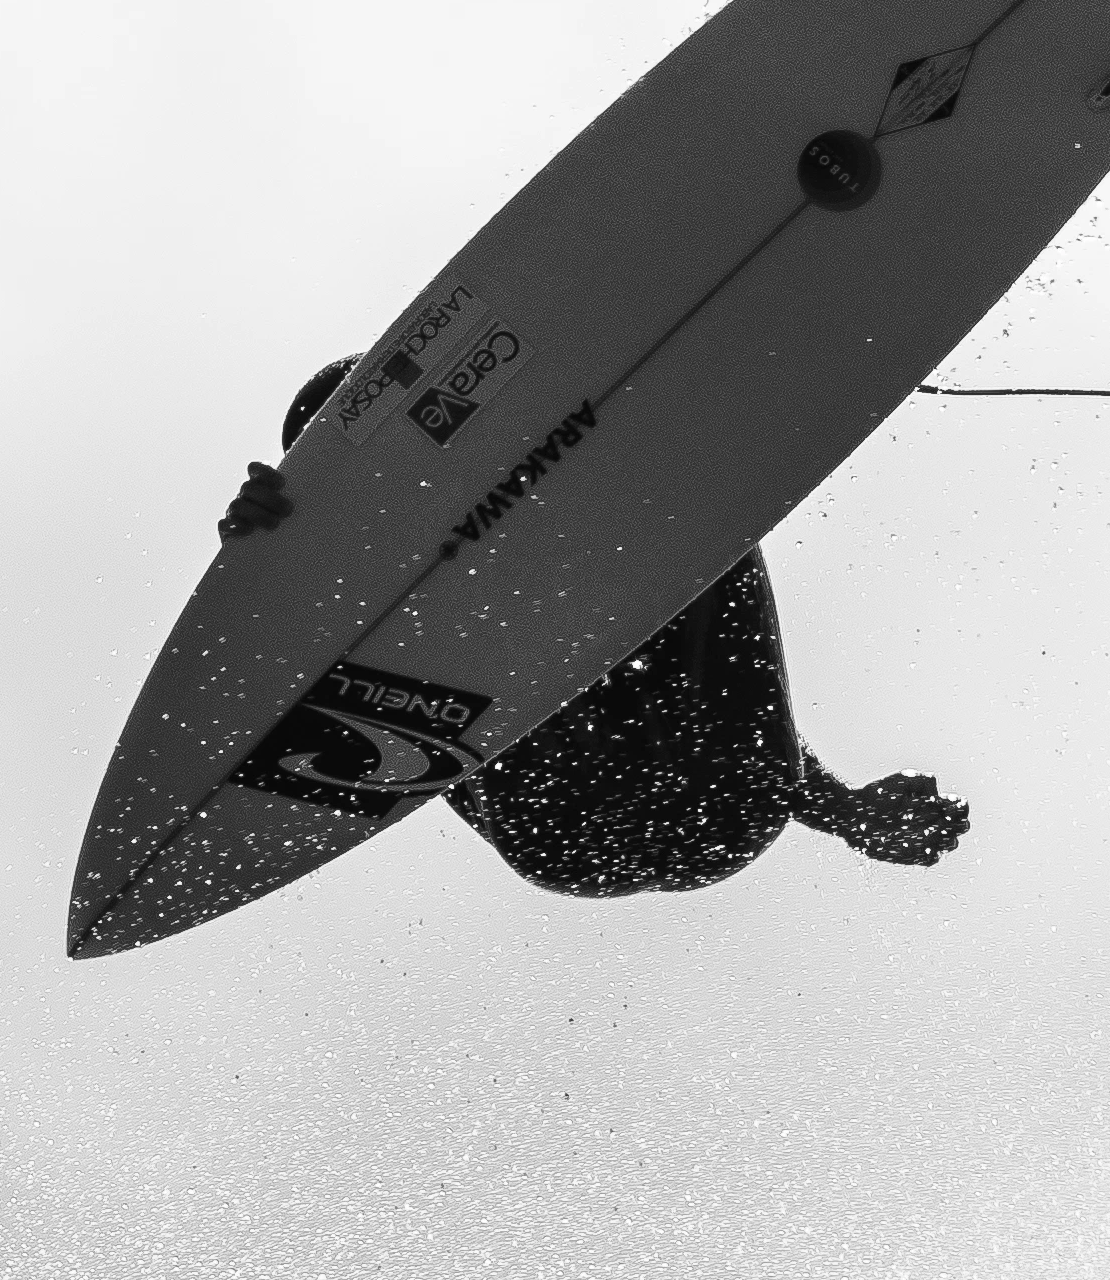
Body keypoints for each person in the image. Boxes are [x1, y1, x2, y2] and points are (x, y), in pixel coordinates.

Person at [219, 362, 969, 898]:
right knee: (661, 507)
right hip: (603, 817)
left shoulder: (571, 498)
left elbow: (708, 665)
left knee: (662, 514)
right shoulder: (364, 582)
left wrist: (840, 810)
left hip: (684, 808)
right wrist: (260, 566)